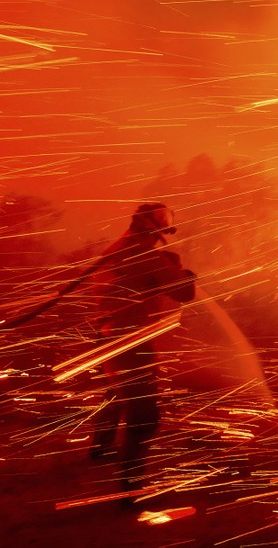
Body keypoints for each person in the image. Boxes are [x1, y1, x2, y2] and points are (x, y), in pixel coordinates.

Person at [89, 203, 196, 493]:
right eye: (163, 223)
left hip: (105, 335)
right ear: (154, 226)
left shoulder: (116, 249)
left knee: (114, 392)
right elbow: (183, 292)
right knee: (145, 415)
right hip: (130, 340)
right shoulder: (143, 255)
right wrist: (185, 272)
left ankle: (100, 447)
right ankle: (131, 485)